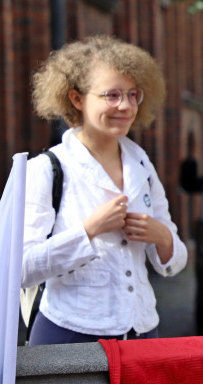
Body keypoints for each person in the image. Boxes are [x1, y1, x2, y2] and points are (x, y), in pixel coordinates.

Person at [23, 35, 187, 344]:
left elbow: (174, 262)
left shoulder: (142, 166)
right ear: (76, 99)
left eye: (132, 94)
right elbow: (20, 268)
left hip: (142, 333)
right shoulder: (47, 170)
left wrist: (162, 236)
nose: (125, 106)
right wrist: (88, 230)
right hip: (68, 335)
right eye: (111, 95)